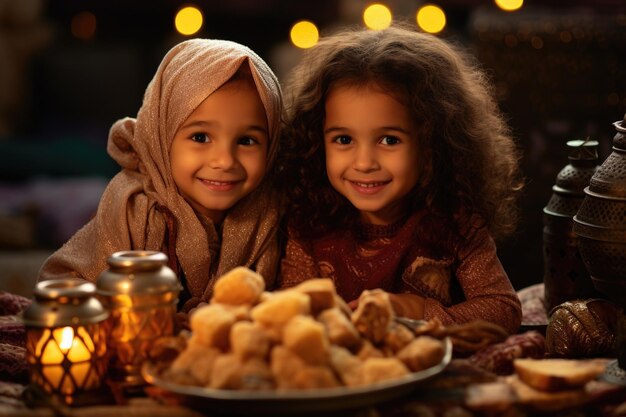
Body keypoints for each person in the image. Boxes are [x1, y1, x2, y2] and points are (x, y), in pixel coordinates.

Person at [278, 23, 523, 334]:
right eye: (343, 140)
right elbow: (289, 309)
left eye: (389, 140)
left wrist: (419, 311)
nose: (364, 162)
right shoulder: (309, 224)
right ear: (316, 141)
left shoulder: (457, 223)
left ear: (432, 144)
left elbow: (503, 309)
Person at [38, 38, 283, 313]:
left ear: (272, 144)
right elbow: (67, 294)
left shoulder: (270, 214)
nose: (225, 160)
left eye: (247, 141)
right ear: (161, 136)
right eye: (200, 137)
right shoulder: (132, 210)